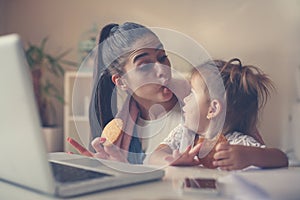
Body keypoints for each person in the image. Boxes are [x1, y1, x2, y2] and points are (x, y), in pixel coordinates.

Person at [69, 22, 190, 164]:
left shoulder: (200, 107)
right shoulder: (123, 135)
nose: (162, 70)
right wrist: (117, 168)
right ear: (121, 82)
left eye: (163, 57)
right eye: (145, 65)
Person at [148, 58, 288, 170]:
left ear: (212, 109)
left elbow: (282, 158)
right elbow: (154, 156)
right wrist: (170, 159)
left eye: (192, 93)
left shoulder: (235, 143)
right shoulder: (184, 134)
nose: (185, 98)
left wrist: (249, 156)